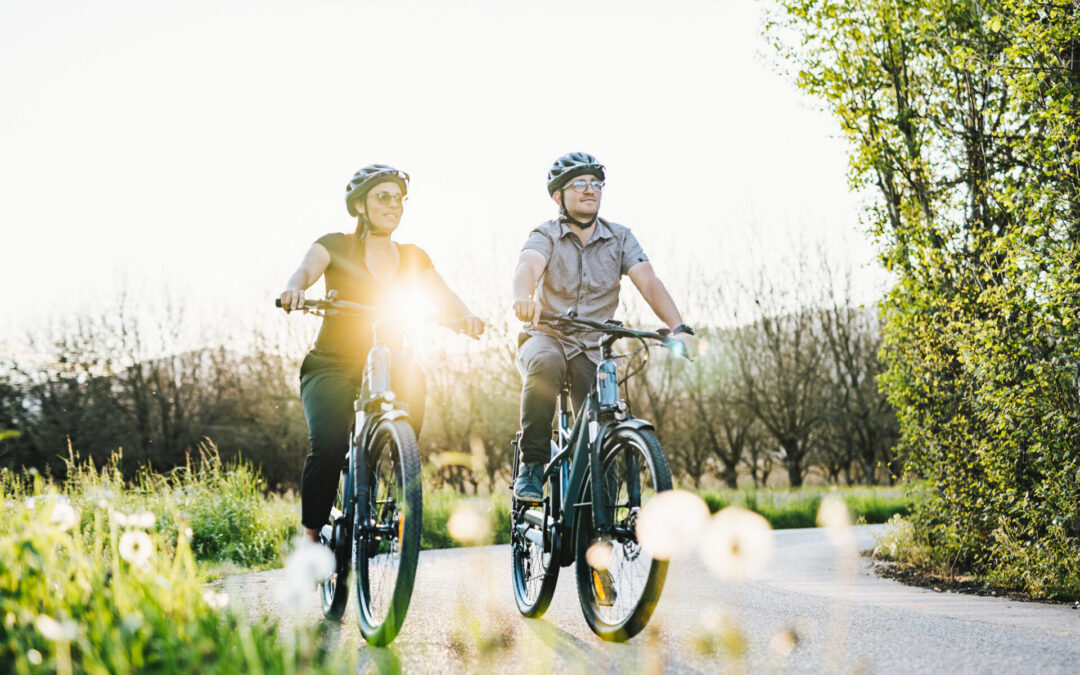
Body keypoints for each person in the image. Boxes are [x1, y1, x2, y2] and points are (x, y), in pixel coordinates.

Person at [281, 164, 484, 543]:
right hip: (331, 366)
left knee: (415, 382)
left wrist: (465, 315)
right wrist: (294, 288)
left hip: (391, 364)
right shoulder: (334, 244)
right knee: (328, 446)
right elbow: (305, 272)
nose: (395, 205)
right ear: (360, 205)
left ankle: (397, 463)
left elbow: (442, 295)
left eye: (400, 198)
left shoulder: (412, 256)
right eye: (384, 197)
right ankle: (310, 537)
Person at [511, 152, 697, 502]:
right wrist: (524, 296)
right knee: (545, 363)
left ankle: (602, 509)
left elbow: (649, 282)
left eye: (596, 184)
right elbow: (528, 266)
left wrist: (678, 327)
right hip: (546, 336)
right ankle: (533, 466)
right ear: (558, 197)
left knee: (603, 412)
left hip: (592, 346)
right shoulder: (546, 234)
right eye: (579, 184)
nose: (589, 190)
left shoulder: (620, 238)